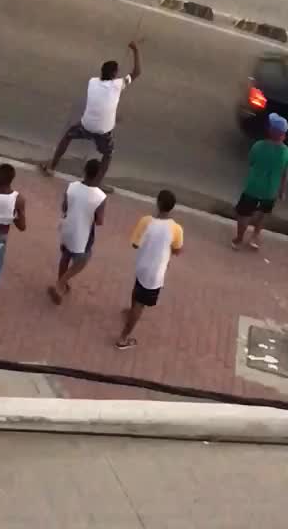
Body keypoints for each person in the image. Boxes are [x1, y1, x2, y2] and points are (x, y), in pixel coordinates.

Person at [40, 41, 142, 182]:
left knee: (68, 136)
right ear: (114, 74)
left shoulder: (92, 81)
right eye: (117, 71)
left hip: (86, 126)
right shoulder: (117, 85)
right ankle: (97, 183)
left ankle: (52, 167)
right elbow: (137, 72)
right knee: (108, 154)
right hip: (103, 131)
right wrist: (135, 50)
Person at [116, 189, 183, 350]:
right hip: (155, 273)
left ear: (158, 203)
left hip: (141, 266)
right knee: (141, 304)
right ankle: (123, 338)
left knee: (136, 290)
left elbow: (134, 244)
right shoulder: (176, 229)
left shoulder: (146, 221)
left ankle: (130, 312)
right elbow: (177, 250)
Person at [47, 159, 106, 304]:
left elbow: (64, 207)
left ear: (85, 171)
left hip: (68, 227)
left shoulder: (72, 187)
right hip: (83, 233)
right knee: (82, 260)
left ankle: (60, 286)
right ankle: (61, 283)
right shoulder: (100, 197)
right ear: (99, 175)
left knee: (65, 256)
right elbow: (99, 221)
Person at [233, 113, 288, 250]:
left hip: (253, 187)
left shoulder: (258, 145)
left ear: (271, 131)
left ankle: (239, 239)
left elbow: (251, 162)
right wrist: (282, 191)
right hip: (270, 191)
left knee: (244, 214)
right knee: (262, 214)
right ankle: (255, 237)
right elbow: (286, 175)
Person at [0, 163, 26, 285]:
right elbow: (22, 227)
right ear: (13, 178)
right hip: (1, 236)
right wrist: (13, 216)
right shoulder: (18, 199)